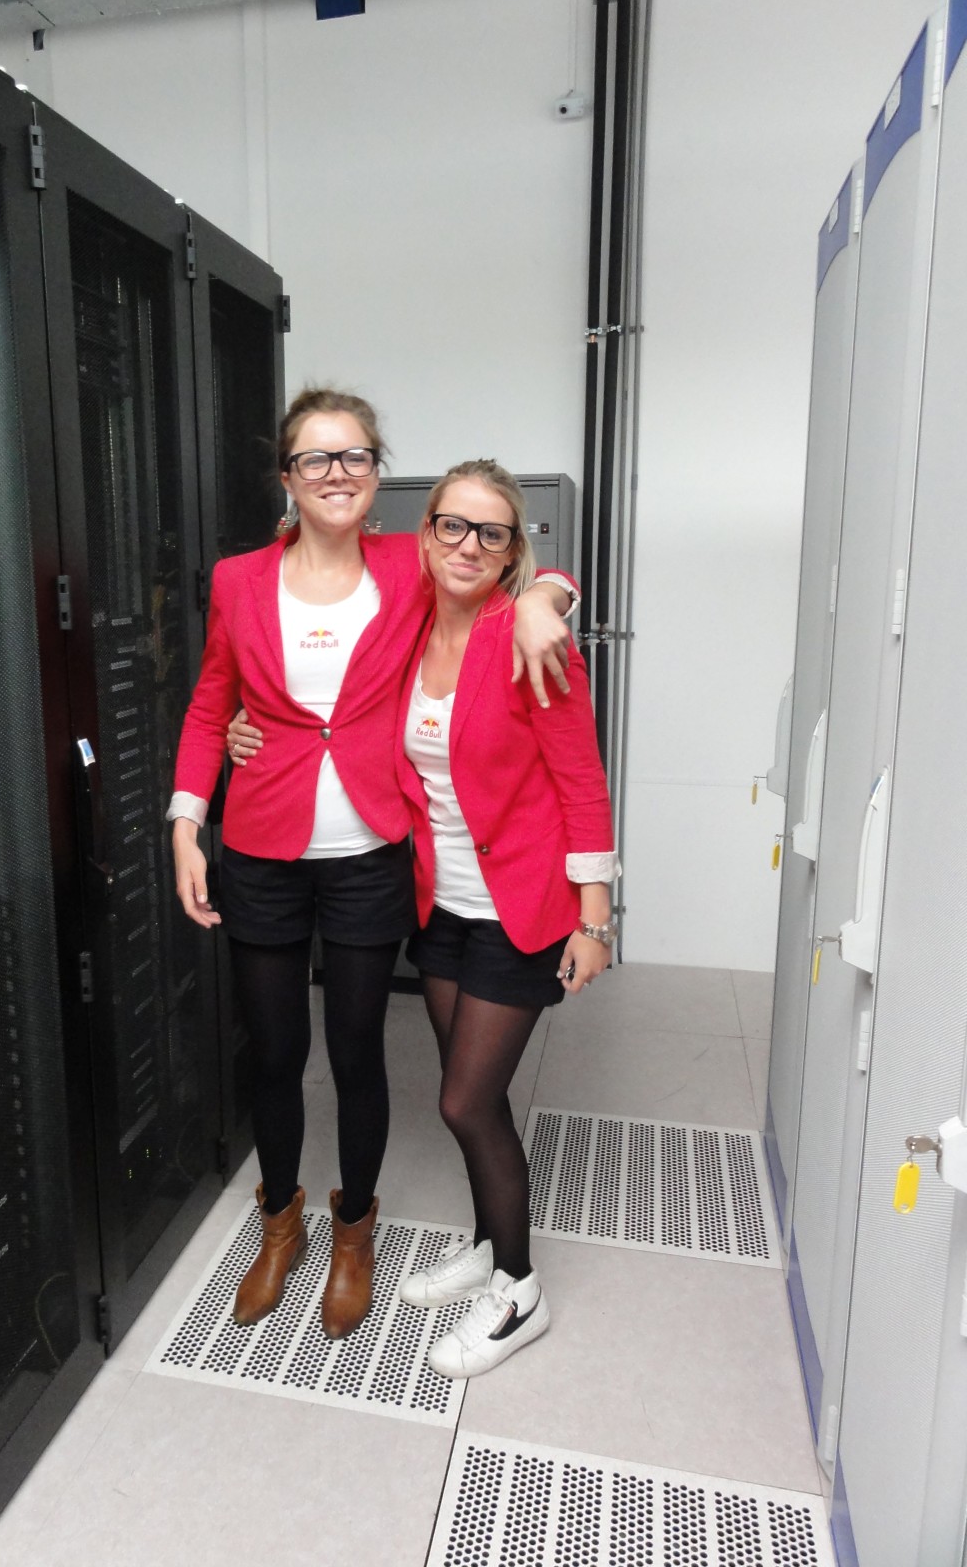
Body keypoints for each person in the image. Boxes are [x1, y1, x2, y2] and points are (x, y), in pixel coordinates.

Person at [168, 390, 576, 1340]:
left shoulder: (408, 564)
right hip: (261, 847)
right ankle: (279, 1226)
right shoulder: (238, 580)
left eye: (355, 456)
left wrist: (546, 600)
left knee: (357, 1053)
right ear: (287, 476)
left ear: (376, 471)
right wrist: (187, 822)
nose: (337, 473)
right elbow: (210, 703)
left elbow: (503, 562)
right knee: (276, 1053)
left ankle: (354, 1234)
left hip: (370, 853)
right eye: (316, 458)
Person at [394, 459, 618, 1379]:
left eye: (491, 533)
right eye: (453, 524)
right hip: (440, 903)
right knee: (470, 1097)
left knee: (464, 1101)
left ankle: (519, 1292)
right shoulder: (408, 625)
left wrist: (595, 919)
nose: (468, 545)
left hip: (519, 909)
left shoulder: (528, 640)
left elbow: (582, 781)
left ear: (512, 548)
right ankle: (490, 1246)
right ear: (427, 532)